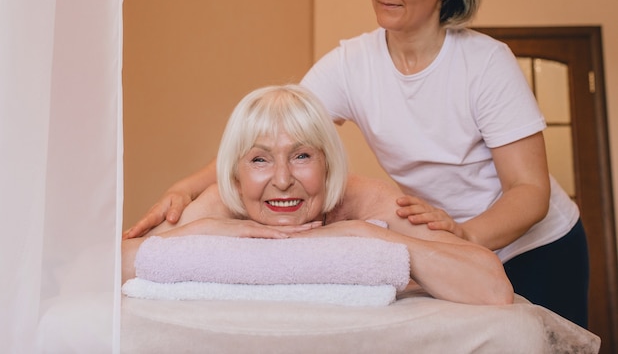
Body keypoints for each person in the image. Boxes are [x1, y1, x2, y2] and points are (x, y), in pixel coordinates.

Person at [124, 0, 589, 327]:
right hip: (443, 239)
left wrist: (461, 239)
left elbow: (530, 192)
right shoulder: (351, 64)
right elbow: (278, 134)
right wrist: (184, 190)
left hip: (537, 245)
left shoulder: (485, 64)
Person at [122, 85, 513, 306]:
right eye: (259, 159)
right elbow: (103, 269)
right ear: (236, 176)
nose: (282, 179)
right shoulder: (221, 204)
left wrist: (369, 235)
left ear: (328, 164)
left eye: (302, 156)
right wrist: (202, 229)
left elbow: (492, 288)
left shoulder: (367, 201)